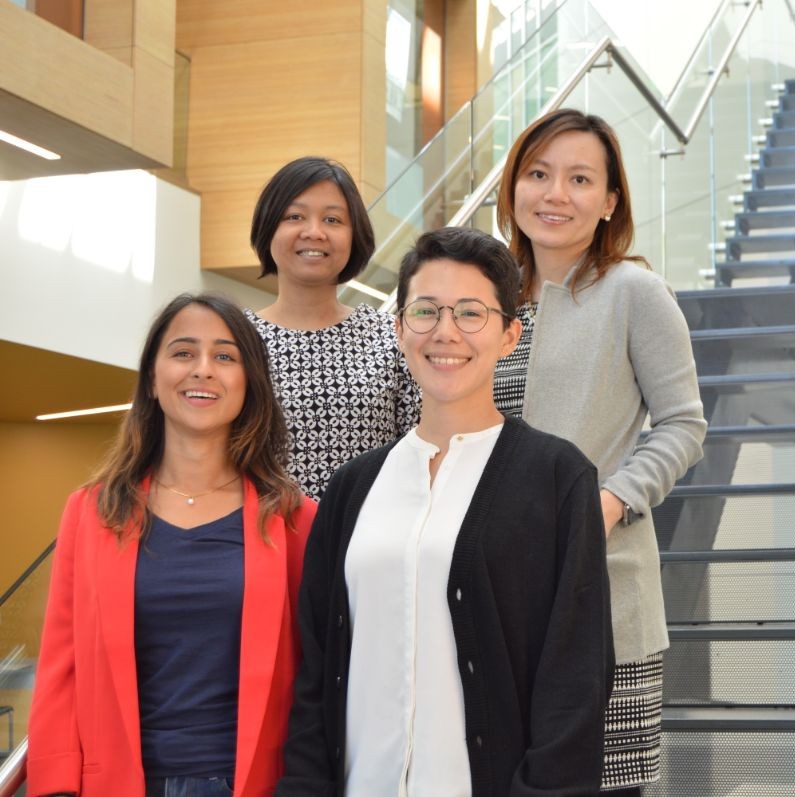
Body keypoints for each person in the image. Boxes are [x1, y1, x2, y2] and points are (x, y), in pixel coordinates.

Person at [277, 227, 614, 797]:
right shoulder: (351, 489)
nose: (445, 332)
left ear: (510, 334)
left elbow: (576, 678)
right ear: (399, 327)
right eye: (426, 311)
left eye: (470, 313)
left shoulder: (558, 477)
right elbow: (315, 674)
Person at [494, 108, 707, 795]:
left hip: (602, 594)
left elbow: (682, 424)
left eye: (579, 178)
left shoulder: (634, 292)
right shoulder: (484, 297)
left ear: (610, 200)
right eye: (537, 173)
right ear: (513, 186)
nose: (555, 194)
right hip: (493, 600)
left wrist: (609, 501)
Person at [27, 293, 317, 797]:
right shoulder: (92, 512)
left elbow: (316, 676)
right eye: (183, 353)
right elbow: (60, 666)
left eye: (225, 356)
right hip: (120, 783)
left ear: (249, 384)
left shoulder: (294, 518)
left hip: (255, 783)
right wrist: (54, 785)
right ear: (152, 378)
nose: (203, 370)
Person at [246, 156, 421, 500]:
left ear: (355, 235)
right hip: (265, 538)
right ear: (269, 228)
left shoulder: (393, 337)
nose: (314, 231)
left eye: (333, 219)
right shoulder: (236, 339)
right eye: (294, 216)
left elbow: (420, 448)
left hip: (368, 538)